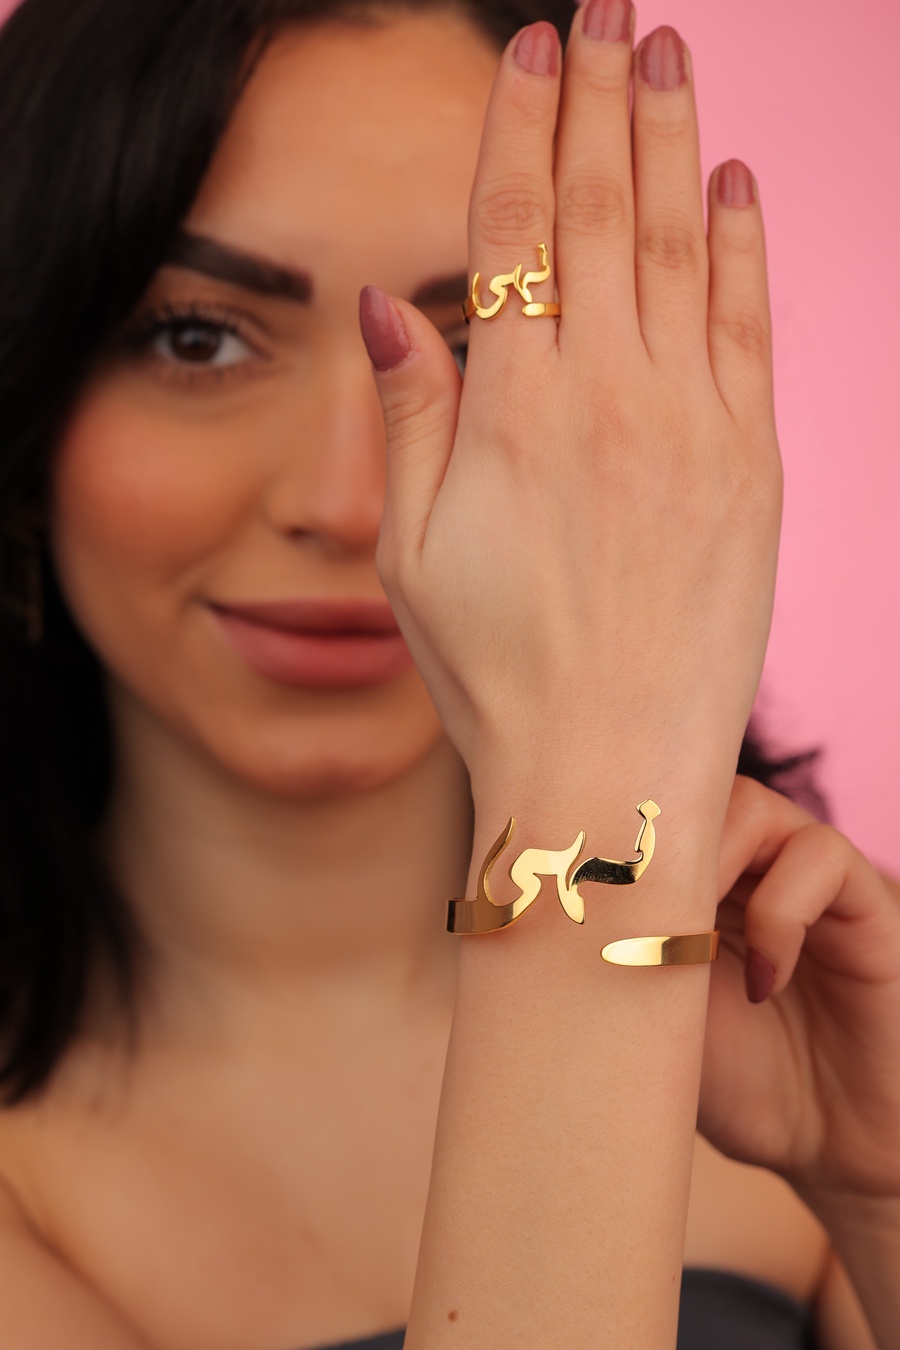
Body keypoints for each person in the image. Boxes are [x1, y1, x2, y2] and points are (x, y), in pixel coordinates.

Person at [0, 0, 897, 1346]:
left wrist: (883, 1196)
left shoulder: (830, 1034)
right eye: (199, 338)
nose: (349, 503)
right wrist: (589, 887)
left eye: (482, 342)